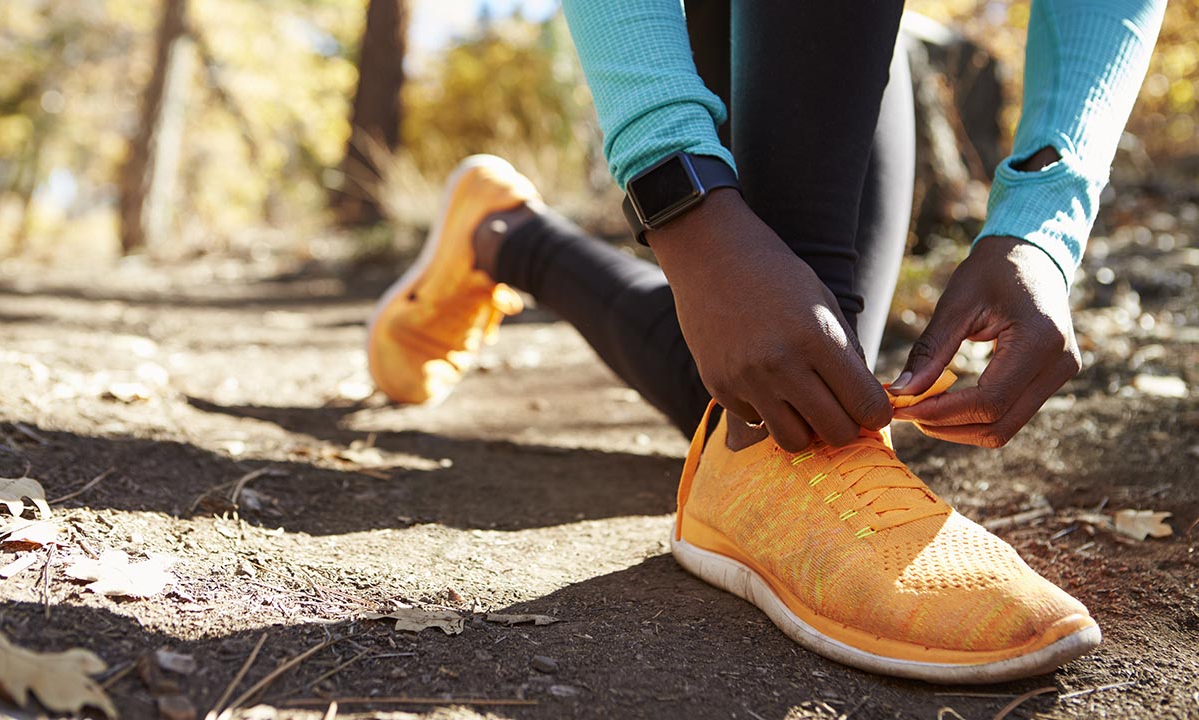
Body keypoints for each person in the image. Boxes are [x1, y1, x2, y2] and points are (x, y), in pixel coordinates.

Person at [365, 0, 1165, 684]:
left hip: (838, 44)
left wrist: (1042, 226)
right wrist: (684, 205)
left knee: (771, 380)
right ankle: (517, 242)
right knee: (773, 388)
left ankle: (503, 236)